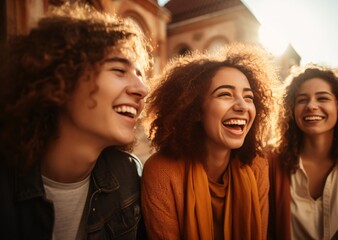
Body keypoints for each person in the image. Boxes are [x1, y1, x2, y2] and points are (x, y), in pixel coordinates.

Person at [0, 3, 151, 239]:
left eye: (140, 75)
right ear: (61, 77)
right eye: (118, 70)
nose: (143, 89)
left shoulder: (129, 174)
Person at [141, 43, 278, 239]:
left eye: (249, 97)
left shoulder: (257, 166)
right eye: (225, 94)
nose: (242, 106)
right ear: (194, 108)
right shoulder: (162, 171)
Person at [268, 64, 338, 239]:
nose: (311, 106)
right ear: (291, 109)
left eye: (322, 98)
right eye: (302, 99)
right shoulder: (271, 160)